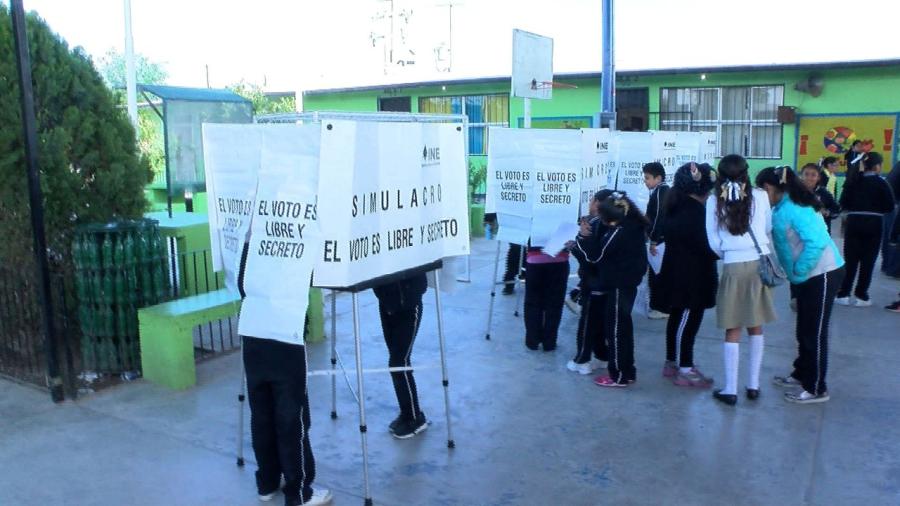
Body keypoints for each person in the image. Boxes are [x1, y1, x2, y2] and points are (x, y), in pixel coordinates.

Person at [238, 244, 333, 506]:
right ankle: (299, 491)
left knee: (262, 414)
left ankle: (267, 482)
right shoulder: (293, 239)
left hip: (253, 332)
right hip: (284, 335)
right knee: (292, 417)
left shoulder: (252, 238)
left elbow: (240, 282)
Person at [756, 166, 845, 404]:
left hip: (822, 272)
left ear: (769, 188)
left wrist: (799, 271)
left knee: (814, 332)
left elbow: (816, 243)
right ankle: (801, 373)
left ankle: (816, 387)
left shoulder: (795, 207)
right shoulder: (784, 206)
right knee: (803, 329)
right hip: (807, 276)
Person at [705, 154, 776, 406]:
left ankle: (730, 389)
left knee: (732, 326)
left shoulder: (714, 199)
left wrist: (729, 253)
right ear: (746, 171)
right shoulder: (761, 195)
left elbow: (712, 239)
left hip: (733, 265)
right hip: (758, 261)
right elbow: (767, 227)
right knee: (755, 325)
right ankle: (753, 385)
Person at [575, 192, 649, 387]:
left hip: (618, 284)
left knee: (615, 329)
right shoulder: (633, 224)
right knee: (624, 327)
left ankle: (618, 375)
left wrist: (582, 239)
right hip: (628, 283)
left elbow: (595, 256)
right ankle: (628, 371)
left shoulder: (618, 231)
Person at [658, 162, 718, 388]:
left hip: (679, 273)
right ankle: (685, 368)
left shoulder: (677, 205)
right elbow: (707, 246)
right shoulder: (694, 212)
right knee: (688, 320)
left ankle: (672, 362)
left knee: (678, 318)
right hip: (691, 277)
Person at [373, 272, 429, 439]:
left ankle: (415, 417)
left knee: (399, 362)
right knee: (396, 362)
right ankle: (407, 412)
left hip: (409, 305)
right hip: (387, 303)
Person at [836, 152, 895, 306]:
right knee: (868, 261)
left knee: (850, 260)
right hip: (874, 224)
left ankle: (843, 294)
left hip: (854, 222)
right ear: (877, 166)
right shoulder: (882, 183)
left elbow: (843, 203)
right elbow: (889, 206)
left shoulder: (853, 181)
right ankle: (862, 296)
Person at [568, 189, 614, 374]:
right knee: (601, 322)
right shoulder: (615, 224)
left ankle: (582, 359)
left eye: (592, 199)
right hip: (607, 283)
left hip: (593, 282)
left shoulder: (594, 225)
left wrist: (576, 244)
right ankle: (603, 356)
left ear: (597, 203)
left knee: (587, 323)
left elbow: (589, 256)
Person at [523, 240, 570, 352]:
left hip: (534, 259)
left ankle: (532, 341)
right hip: (559, 258)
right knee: (555, 304)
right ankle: (550, 342)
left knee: (532, 302)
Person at [643, 162, 670, 319]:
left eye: (647, 178)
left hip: (660, 241)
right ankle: (661, 305)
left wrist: (653, 240)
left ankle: (661, 307)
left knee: (657, 274)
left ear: (658, 178)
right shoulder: (659, 191)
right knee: (657, 273)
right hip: (660, 239)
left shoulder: (661, 192)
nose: (645, 181)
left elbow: (659, 217)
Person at [800, 163, 841, 234]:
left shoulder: (824, 193)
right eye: (806, 174)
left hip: (820, 235)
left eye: (813, 175)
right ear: (801, 176)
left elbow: (836, 209)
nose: (809, 178)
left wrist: (827, 212)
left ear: (818, 178)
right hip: (800, 233)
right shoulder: (795, 193)